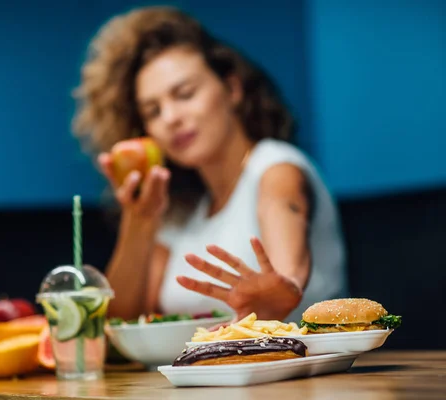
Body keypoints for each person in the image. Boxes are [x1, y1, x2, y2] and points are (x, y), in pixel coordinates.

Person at [71, 6, 349, 324]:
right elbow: (121, 320)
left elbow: (287, 259)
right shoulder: (183, 210)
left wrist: (285, 287)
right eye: (153, 111)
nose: (171, 118)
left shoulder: (275, 166)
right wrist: (139, 223)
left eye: (185, 94)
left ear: (232, 89)